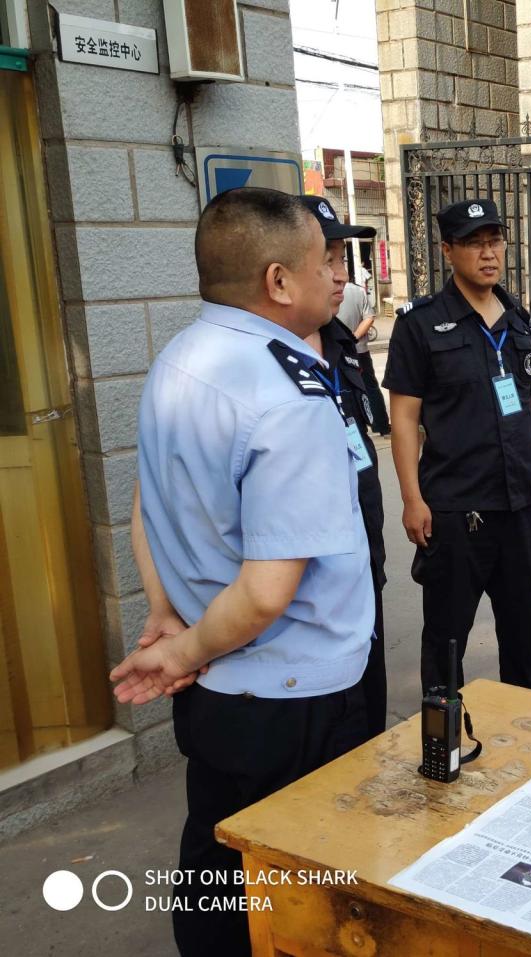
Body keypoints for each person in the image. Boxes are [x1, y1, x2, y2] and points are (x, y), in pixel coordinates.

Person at [110, 187, 372, 955]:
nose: (337, 275)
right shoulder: (285, 394)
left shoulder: (178, 360)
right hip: (292, 699)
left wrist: (165, 610)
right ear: (277, 281)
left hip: (221, 691)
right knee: (299, 890)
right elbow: (266, 591)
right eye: (323, 260)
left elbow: (145, 505)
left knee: (216, 863)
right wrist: (177, 654)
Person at [383, 198, 531, 696]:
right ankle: (444, 733)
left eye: (494, 241)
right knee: (446, 634)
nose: (488, 254)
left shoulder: (519, 318)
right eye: (474, 243)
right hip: (458, 510)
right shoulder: (420, 324)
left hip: (520, 504)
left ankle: (529, 718)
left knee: (523, 626)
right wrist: (412, 498)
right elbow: (404, 420)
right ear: (447, 250)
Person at [301, 196, 389, 740]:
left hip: (362, 566)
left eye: (343, 258)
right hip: (306, 597)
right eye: (329, 259)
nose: (342, 276)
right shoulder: (263, 366)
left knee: (367, 720)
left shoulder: (341, 344)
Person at [335, 267, 392, 435]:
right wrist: (354, 338)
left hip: (338, 351)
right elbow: (369, 317)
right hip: (358, 350)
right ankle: (381, 425)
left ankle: (354, 429)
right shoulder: (357, 291)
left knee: (344, 390)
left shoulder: (321, 291)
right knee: (370, 387)